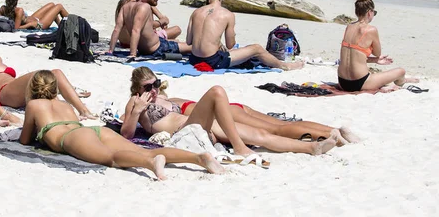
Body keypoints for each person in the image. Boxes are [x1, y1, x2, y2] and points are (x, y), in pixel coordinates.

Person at [20, 70, 223, 180]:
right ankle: (199, 158)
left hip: (72, 138)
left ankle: (151, 164)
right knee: (140, 150)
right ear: (55, 88)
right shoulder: (65, 104)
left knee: (111, 158)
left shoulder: (34, 105)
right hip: (93, 131)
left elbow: (25, 139)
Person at [121, 67, 336, 162]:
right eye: (148, 87)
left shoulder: (163, 97)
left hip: (200, 126)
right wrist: (136, 112)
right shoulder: (136, 102)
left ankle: (311, 148)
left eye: (156, 84)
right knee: (216, 91)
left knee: (260, 135)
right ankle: (239, 147)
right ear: (137, 89)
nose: (154, 90)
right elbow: (127, 134)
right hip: (183, 133)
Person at [159, 79, 357, 144]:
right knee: (282, 125)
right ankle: (334, 129)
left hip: (227, 111)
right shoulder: (174, 99)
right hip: (235, 107)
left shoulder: (165, 105)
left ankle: (331, 134)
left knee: (278, 130)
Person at [0, 27, 94, 118]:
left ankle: (83, 110)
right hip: (3, 94)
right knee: (45, 74)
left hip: (16, 89)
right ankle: (70, 111)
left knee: (57, 73)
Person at [187, 0, 304, 71]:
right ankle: (284, 66)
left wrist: (216, 43)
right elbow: (230, 45)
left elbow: (189, 41)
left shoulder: (196, 12)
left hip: (194, 59)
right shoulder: (227, 14)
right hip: (212, 61)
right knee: (256, 49)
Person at [337, 0, 418, 92]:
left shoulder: (349, 27)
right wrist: (376, 57)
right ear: (369, 13)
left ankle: (386, 83)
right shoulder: (371, 30)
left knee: (373, 75)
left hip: (342, 82)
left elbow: (354, 56)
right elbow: (377, 53)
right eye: (374, 13)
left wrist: (375, 60)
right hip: (359, 83)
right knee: (401, 71)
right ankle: (402, 81)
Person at [109, 0, 190, 57]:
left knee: (179, 43)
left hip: (154, 45)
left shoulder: (125, 7)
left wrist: (110, 50)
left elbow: (117, 29)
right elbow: (136, 30)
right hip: (158, 48)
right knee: (193, 48)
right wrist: (133, 54)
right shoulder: (145, 7)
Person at [114, 0, 181, 48]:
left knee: (174, 38)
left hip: (124, 41)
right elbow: (144, 26)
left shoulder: (126, 0)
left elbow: (157, 13)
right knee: (177, 31)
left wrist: (161, 18)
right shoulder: (137, 5)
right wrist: (161, 22)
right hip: (135, 41)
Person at [0, 0, 69, 30]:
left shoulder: (2, 8)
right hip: (39, 25)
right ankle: (73, 23)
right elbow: (16, 28)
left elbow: (2, 20)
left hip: (33, 18)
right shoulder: (19, 10)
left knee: (52, 5)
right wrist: (29, 25)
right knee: (59, 6)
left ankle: (61, 26)